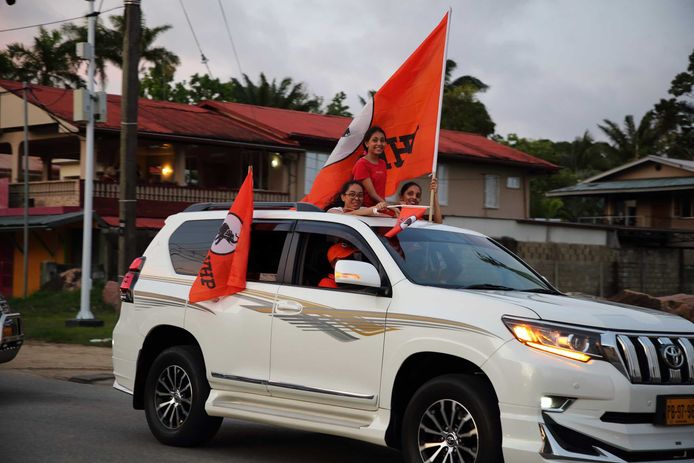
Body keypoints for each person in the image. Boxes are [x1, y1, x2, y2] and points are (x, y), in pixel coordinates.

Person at [352, 126, 388, 208]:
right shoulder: (362, 164)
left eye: (382, 140)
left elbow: (380, 192)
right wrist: (388, 206)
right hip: (365, 209)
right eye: (375, 140)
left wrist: (385, 205)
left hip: (379, 208)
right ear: (367, 143)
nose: (379, 143)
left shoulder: (382, 163)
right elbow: (372, 194)